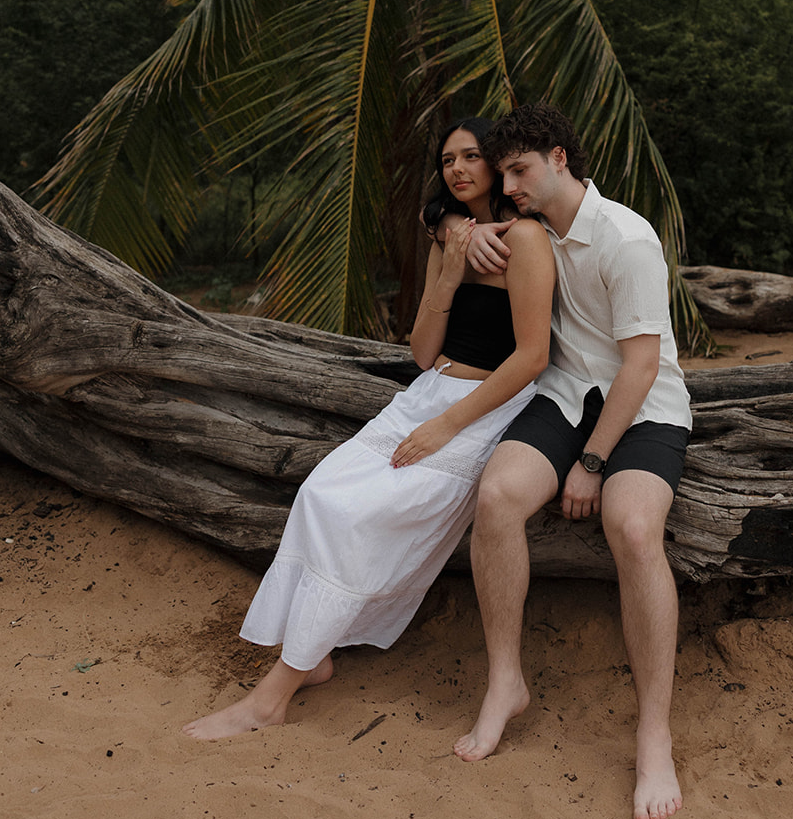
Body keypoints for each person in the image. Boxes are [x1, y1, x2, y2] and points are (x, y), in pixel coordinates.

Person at [183, 118, 554, 740]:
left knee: (363, 519)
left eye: (470, 157)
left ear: (496, 164)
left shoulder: (528, 240)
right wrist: (449, 266)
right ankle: (316, 654)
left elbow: (532, 355)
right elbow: (421, 348)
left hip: (491, 403)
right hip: (431, 387)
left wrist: (445, 427)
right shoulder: (452, 234)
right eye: (446, 160)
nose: (457, 169)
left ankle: (271, 698)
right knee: (321, 492)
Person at [451, 103, 692, 819]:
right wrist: (457, 232)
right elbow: (452, 215)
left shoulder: (625, 238)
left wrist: (591, 463)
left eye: (519, 171)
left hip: (641, 403)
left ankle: (652, 732)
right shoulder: (527, 234)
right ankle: (504, 684)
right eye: (504, 176)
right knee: (494, 498)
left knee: (633, 526)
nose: (510, 187)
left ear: (559, 158)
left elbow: (643, 365)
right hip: (564, 393)